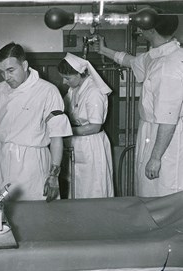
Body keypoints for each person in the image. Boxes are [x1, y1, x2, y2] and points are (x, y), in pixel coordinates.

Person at [0, 42, 72, 202]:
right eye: (2, 72)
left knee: (35, 215)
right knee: (0, 214)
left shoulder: (47, 91)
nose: (6, 77)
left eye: (11, 70)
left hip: (32, 164)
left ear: (24, 65)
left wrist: (54, 175)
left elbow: (56, 136)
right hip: (1, 160)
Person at [96, 11, 183, 197]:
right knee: (148, 190)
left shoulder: (170, 65)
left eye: (142, 27)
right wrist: (103, 49)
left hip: (167, 134)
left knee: (164, 193)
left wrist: (156, 157)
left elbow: (168, 118)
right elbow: (131, 61)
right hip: (152, 130)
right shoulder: (158, 55)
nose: (139, 31)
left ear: (150, 30)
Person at [58, 53, 114, 198]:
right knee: (76, 189)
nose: (64, 82)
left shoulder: (94, 92)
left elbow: (94, 127)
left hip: (91, 144)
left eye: (67, 78)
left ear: (80, 74)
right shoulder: (74, 89)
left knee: (91, 189)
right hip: (77, 142)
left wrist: (65, 131)